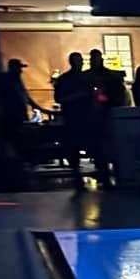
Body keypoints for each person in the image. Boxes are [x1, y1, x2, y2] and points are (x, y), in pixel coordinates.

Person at [53, 51, 93, 188]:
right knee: (76, 147)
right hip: (76, 116)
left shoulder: (78, 78)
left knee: (77, 147)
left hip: (79, 116)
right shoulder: (71, 79)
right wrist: (78, 96)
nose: (81, 63)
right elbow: (59, 98)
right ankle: (77, 175)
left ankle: (78, 176)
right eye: (79, 60)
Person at [0, 57, 34, 163]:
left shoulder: (15, 80)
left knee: (18, 140)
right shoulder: (7, 81)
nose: (21, 71)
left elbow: (24, 96)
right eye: (19, 68)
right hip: (12, 117)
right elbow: (20, 97)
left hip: (17, 115)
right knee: (15, 140)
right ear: (14, 68)